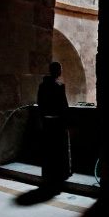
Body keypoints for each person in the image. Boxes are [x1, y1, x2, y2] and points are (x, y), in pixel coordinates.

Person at [36, 61, 72, 190]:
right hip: (58, 123)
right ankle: (59, 174)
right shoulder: (59, 86)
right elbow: (64, 106)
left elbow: (40, 104)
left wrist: (41, 120)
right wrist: (67, 122)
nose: (61, 71)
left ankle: (48, 175)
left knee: (48, 150)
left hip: (47, 122)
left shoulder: (42, 86)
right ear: (57, 71)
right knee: (59, 150)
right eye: (60, 69)